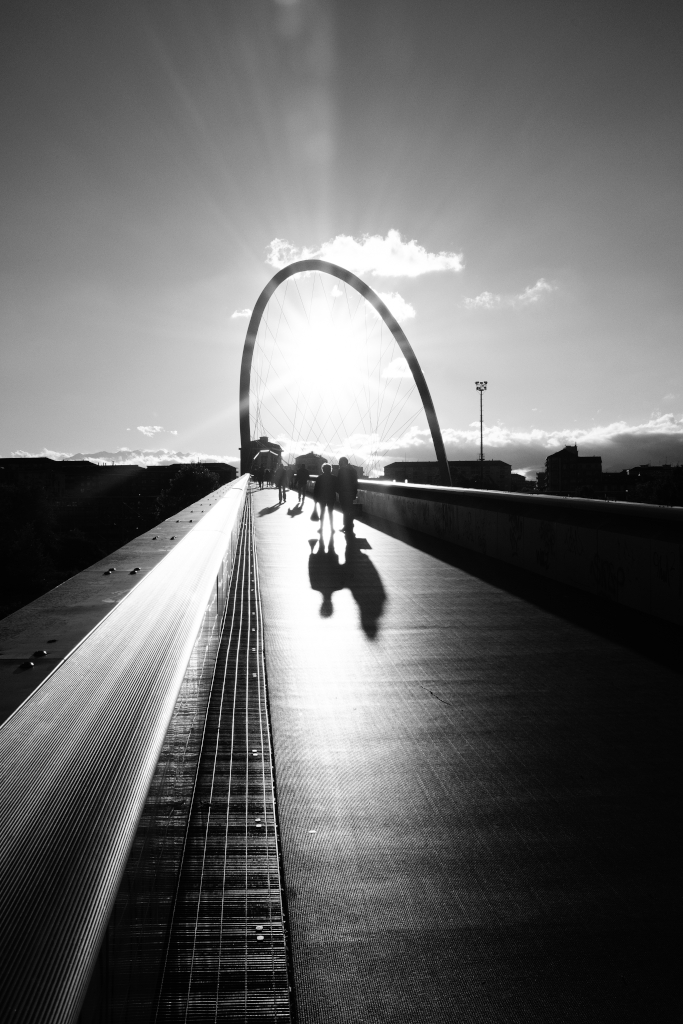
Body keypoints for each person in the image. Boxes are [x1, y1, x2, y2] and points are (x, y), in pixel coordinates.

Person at [336, 456, 358, 534]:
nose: (339, 463)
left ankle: (346, 525)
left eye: (340, 462)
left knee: (345, 510)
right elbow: (355, 483)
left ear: (342, 462)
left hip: (343, 493)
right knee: (349, 509)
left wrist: (338, 491)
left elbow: (338, 482)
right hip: (351, 493)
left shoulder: (341, 470)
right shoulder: (353, 470)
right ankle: (350, 524)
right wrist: (354, 493)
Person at [313, 463, 336, 531]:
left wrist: (315, 498)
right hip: (331, 497)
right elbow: (337, 488)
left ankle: (321, 527)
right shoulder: (334, 478)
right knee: (330, 512)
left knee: (322, 512)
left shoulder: (319, 478)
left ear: (323, 470)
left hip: (322, 497)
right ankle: (331, 528)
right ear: (330, 470)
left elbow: (316, 489)